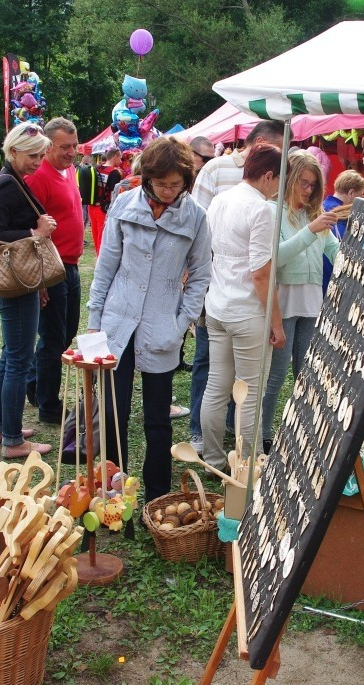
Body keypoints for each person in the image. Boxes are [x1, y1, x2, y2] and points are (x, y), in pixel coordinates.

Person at [88, 136, 212, 502]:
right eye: (162, 183)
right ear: (147, 177)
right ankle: (113, 494)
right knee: (115, 412)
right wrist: (95, 321)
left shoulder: (196, 216)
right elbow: (106, 265)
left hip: (163, 325)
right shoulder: (123, 205)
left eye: (177, 184)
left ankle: (157, 494)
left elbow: (201, 275)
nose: (169, 191)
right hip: (117, 323)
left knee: (158, 419)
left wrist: (180, 323)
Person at [188, 120, 285, 456]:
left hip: (218, 305)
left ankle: (215, 456)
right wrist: (276, 323)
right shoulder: (261, 208)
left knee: (217, 386)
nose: (278, 188)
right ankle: (250, 464)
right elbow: (261, 273)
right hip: (246, 311)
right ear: (269, 176)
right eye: (279, 180)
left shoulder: (222, 200)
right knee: (250, 392)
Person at [0, 121, 56, 459]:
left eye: (41, 155)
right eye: (32, 155)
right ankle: (13, 440)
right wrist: (35, 231)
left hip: (19, 282)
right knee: (18, 361)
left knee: (9, 357)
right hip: (12, 284)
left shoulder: (11, 181)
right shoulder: (7, 184)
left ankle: (0, 426)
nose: (38, 161)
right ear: (13, 151)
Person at [260, 151, 339, 454]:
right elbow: (275, 258)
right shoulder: (272, 210)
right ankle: (264, 435)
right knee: (277, 374)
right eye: (303, 183)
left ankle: (301, 430)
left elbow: (333, 249)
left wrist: (358, 259)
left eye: (313, 185)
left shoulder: (312, 213)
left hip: (311, 300)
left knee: (306, 372)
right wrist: (311, 230)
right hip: (283, 300)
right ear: (289, 180)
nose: (308, 190)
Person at [23, 117, 85, 425]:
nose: (72, 152)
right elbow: (30, 232)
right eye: (64, 147)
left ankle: (34, 384)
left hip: (70, 265)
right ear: (48, 146)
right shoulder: (38, 178)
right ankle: (48, 405)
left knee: (65, 333)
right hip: (51, 269)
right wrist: (40, 281)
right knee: (52, 337)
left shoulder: (69, 170)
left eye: (74, 146)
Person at [321, 169, 364, 291]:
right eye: (361, 194)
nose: (363, 198)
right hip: (331, 280)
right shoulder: (342, 218)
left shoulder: (321, 207)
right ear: (351, 193)